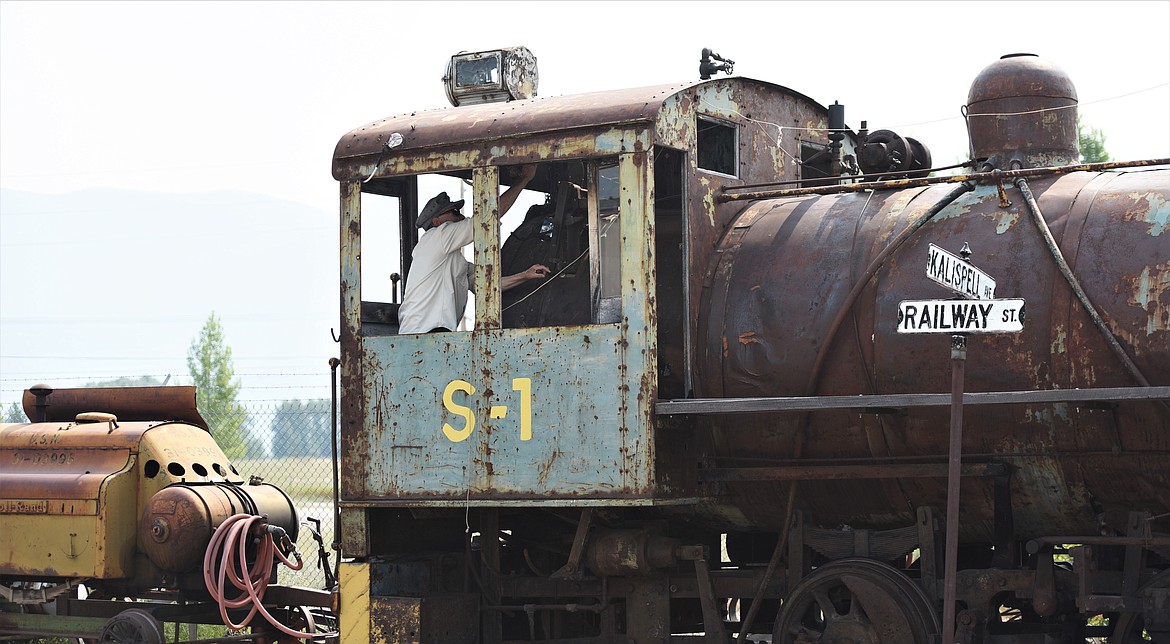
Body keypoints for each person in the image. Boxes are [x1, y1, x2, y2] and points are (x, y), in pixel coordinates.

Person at [397, 164, 550, 334]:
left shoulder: (451, 261)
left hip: (427, 335)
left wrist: (525, 275)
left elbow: (486, 285)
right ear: (436, 221)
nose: (461, 216)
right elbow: (487, 219)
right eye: (454, 212)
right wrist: (524, 179)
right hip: (425, 334)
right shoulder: (437, 236)